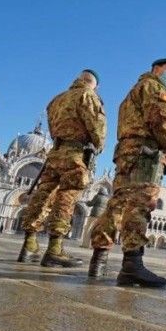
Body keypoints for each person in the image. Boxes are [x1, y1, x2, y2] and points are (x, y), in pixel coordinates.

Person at [88, 58, 166, 287]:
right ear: (155, 69)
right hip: (146, 153)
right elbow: (162, 122)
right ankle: (132, 264)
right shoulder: (154, 87)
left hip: (125, 152)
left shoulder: (132, 91)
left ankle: (98, 259)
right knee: (140, 205)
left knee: (116, 205)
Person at [15, 69, 106, 267]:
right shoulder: (88, 96)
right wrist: (98, 146)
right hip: (74, 153)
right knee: (67, 196)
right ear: (94, 84)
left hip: (54, 153)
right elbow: (97, 130)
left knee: (43, 195)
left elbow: (53, 128)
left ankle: (29, 246)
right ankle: (55, 249)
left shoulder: (56, 99)